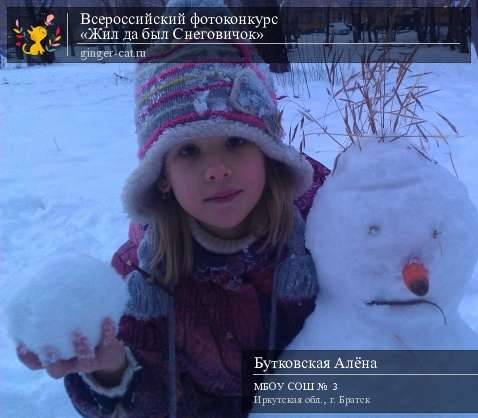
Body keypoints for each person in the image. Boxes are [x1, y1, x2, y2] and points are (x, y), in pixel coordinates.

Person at [15, 41, 330, 417]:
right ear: (162, 175)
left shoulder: (331, 225)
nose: (216, 169)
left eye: (236, 141)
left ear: (268, 154)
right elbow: (162, 406)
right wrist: (112, 370)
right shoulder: (144, 279)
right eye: (188, 151)